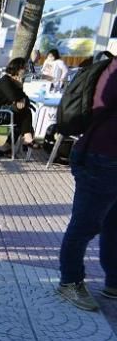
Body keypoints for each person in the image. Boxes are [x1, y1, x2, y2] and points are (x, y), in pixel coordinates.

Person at [57, 54, 117, 312]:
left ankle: (114, 281)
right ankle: (70, 281)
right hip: (101, 157)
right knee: (85, 224)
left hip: (105, 155)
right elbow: (99, 109)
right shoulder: (112, 72)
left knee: (113, 223)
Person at [0, 57, 35, 156]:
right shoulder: (5, 82)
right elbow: (13, 97)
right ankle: (26, 138)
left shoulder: (12, 82)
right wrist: (20, 96)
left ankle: (7, 147)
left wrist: (21, 93)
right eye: (24, 68)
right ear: (17, 69)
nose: (26, 70)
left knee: (22, 118)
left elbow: (25, 99)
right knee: (25, 113)